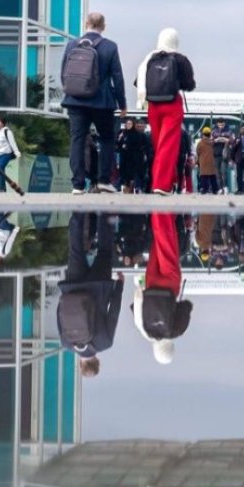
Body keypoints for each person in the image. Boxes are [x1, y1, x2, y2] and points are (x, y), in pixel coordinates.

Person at [61, 13, 127, 195]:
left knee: (77, 140)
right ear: (103, 26)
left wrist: (72, 92)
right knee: (106, 138)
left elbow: (63, 74)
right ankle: (104, 181)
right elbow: (117, 77)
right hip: (102, 101)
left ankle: (77, 185)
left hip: (75, 100)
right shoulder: (110, 47)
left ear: (86, 24)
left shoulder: (72, 45)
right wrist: (122, 104)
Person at [57, 211, 124, 377]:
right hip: (73, 288)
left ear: (98, 362)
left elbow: (114, 312)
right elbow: (60, 313)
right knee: (75, 249)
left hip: (99, 287)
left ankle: (104, 211)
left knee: (104, 251)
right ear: (80, 363)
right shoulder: (66, 343)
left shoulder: (105, 343)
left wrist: (119, 285)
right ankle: (78, 212)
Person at [135, 28, 196, 195]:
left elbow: (138, 82)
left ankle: (160, 181)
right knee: (168, 145)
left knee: (157, 144)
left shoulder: (149, 59)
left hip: (153, 105)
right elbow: (189, 85)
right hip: (172, 104)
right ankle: (162, 184)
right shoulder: (179, 59)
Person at [131, 211, 192, 364]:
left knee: (166, 242)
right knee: (157, 244)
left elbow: (187, 306)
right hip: (151, 285)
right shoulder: (146, 333)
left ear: (171, 348)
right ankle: (161, 215)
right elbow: (135, 309)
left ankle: (162, 211)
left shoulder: (176, 331)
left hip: (171, 286)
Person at [211, 118, 234, 194]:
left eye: (222, 125)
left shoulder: (229, 131)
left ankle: (225, 187)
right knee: (217, 173)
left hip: (225, 155)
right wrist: (216, 140)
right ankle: (220, 188)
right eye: (220, 125)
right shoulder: (213, 131)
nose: (221, 126)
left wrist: (226, 140)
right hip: (216, 154)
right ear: (217, 124)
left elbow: (232, 141)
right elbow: (210, 142)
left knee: (223, 172)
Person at [195, 127, 218, 193]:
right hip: (211, 161)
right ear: (210, 134)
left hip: (203, 161)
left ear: (203, 134)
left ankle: (205, 189)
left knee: (203, 176)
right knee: (212, 176)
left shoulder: (200, 143)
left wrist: (197, 161)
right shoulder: (212, 143)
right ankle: (215, 189)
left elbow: (198, 152)